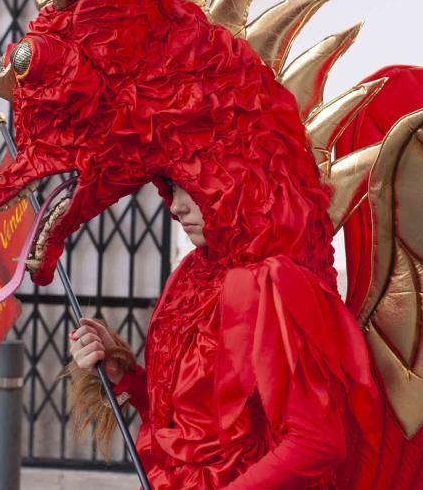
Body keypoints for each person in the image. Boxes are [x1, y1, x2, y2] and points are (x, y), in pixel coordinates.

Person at [68, 183, 358, 489]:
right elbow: (185, 422)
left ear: (234, 186)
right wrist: (120, 373)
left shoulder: (273, 284)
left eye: (193, 189)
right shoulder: (189, 272)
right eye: (172, 190)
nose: (176, 207)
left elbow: (316, 441)